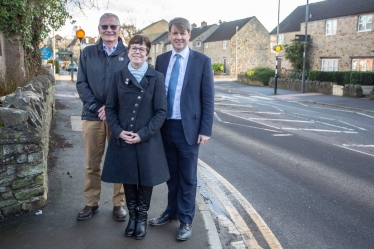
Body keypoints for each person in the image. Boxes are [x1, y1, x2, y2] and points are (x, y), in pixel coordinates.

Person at [148, 17, 214, 241]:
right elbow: (156, 94)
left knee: (188, 177)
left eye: (183, 33)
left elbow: (208, 98)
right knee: (171, 176)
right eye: (175, 33)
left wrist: (205, 129)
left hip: (189, 130)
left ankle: (186, 219)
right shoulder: (162, 59)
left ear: (189, 36)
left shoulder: (202, 61)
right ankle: (171, 211)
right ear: (169, 35)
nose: (178, 37)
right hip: (165, 128)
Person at [101, 34, 170, 240]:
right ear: (128, 51)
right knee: (129, 178)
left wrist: (142, 135)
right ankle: (132, 217)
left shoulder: (156, 77)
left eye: (142, 49)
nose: (138, 52)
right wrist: (118, 131)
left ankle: (141, 218)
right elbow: (111, 108)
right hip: (123, 138)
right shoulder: (118, 76)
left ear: (148, 54)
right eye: (134, 48)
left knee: (146, 180)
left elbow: (161, 112)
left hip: (146, 139)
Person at [76, 13, 129, 221]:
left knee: (120, 162)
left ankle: (119, 204)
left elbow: (131, 85)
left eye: (113, 26)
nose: (109, 30)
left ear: (119, 29)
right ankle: (91, 203)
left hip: (119, 118)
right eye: (105, 27)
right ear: (98, 29)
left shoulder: (128, 53)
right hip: (92, 115)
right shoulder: (87, 53)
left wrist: (111, 108)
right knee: (92, 163)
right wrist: (98, 106)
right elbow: (81, 83)